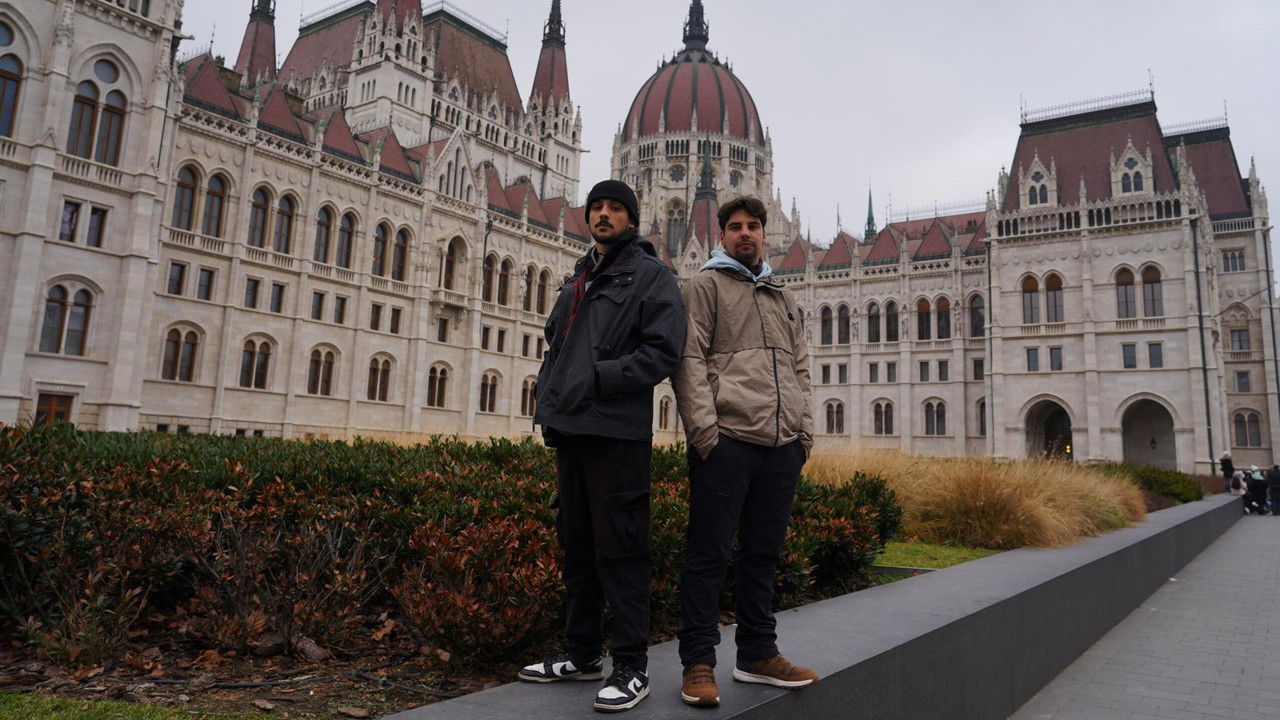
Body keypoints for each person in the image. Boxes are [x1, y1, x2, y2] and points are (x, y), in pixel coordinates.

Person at [519, 180, 686, 713]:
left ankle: (632, 667)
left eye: (615, 208)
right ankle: (582, 653)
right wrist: (552, 392)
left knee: (622, 549)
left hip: (616, 432)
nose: (604, 215)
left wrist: (599, 378)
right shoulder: (578, 276)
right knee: (577, 545)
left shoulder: (653, 277)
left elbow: (662, 352)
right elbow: (558, 345)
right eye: (597, 207)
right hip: (571, 427)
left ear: (632, 219)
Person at [672, 196, 819, 708]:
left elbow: (801, 365)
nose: (745, 233)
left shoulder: (782, 295)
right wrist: (706, 435)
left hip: (782, 444)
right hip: (727, 441)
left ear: (764, 233)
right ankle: (698, 662)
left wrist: (803, 432)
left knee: (763, 553)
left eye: (753, 226)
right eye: (735, 226)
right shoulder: (703, 286)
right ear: (722, 235)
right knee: (708, 554)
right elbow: (689, 359)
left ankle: (758, 653)